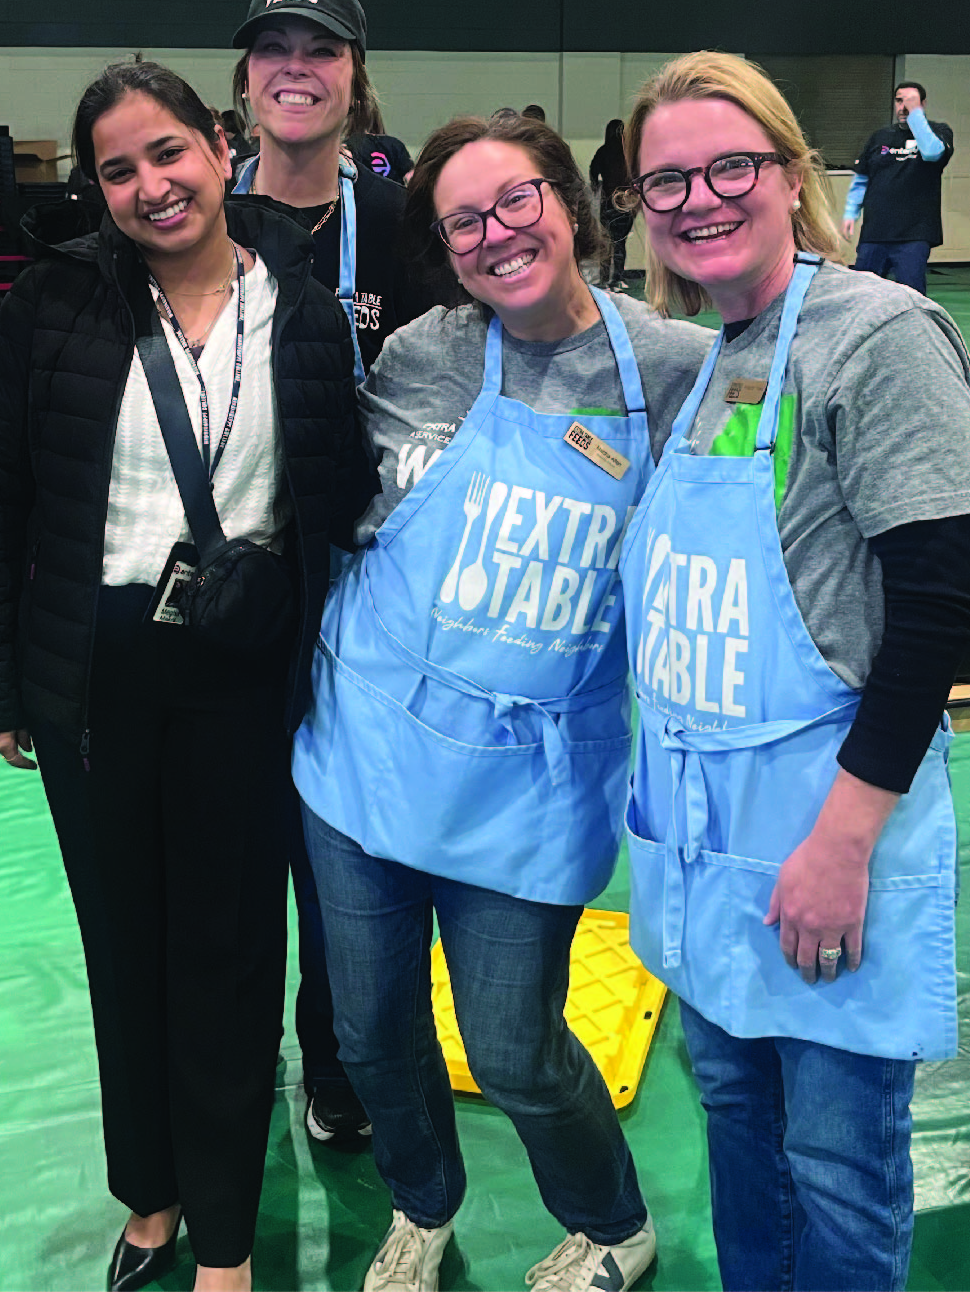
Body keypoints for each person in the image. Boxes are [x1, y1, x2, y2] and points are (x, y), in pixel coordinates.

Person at [0, 60, 372, 1292]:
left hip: (239, 673)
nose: (150, 186)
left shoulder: (298, 307)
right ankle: (151, 1196)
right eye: (118, 170)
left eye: (169, 154)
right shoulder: (58, 304)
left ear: (223, 148)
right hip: (95, 671)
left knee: (232, 953)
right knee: (123, 942)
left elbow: (335, 498)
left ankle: (228, 1235)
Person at [298, 111, 708, 1292]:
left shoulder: (669, 372)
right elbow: (347, 509)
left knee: (516, 1047)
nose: (494, 234)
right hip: (366, 751)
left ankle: (611, 1222)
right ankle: (421, 1208)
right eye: (461, 221)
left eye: (515, 201)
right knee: (374, 1032)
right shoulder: (424, 352)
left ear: (570, 205)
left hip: (529, 785)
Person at [618, 53, 970, 1292]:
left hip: (823, 834)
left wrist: (843, 842)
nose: (698, 197)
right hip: (707, 849)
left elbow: (938, 612)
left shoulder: (877, 338)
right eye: (666, 178)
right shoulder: (709, 354)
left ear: (795, 177)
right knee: (735, 1114)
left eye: (731, 166)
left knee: (836, 1159)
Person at [227, 0, 449, 1151]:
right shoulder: (194, 213)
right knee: (233, 839)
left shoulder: (405, 223)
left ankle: (338, 1056)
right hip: (230, 583)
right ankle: (235, 1051)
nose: (295, 68)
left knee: (349, 852)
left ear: (356, 78)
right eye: (274, 48)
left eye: (321, 49)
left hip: (370, 586)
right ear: (247, 76)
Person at [843, 82, 953, 295]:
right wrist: (850, 212)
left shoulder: (939, 132)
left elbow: (931, 153)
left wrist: (915, 116)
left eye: (911, 101)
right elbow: (862, 178)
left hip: (914, 235)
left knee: (912, 295)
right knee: (862, 294)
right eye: (899, 100)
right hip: (875, 233)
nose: (903, 106)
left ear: (923, 104)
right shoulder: (879, 137)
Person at [589, 118, 633, 283]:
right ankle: (617, 278)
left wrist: (595, 186)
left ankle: (603, 277)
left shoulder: (604, 151)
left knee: (606, 242)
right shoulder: (627, 153)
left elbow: (593, 170)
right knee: (621, 243)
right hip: (625, 204)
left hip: (607, 202)